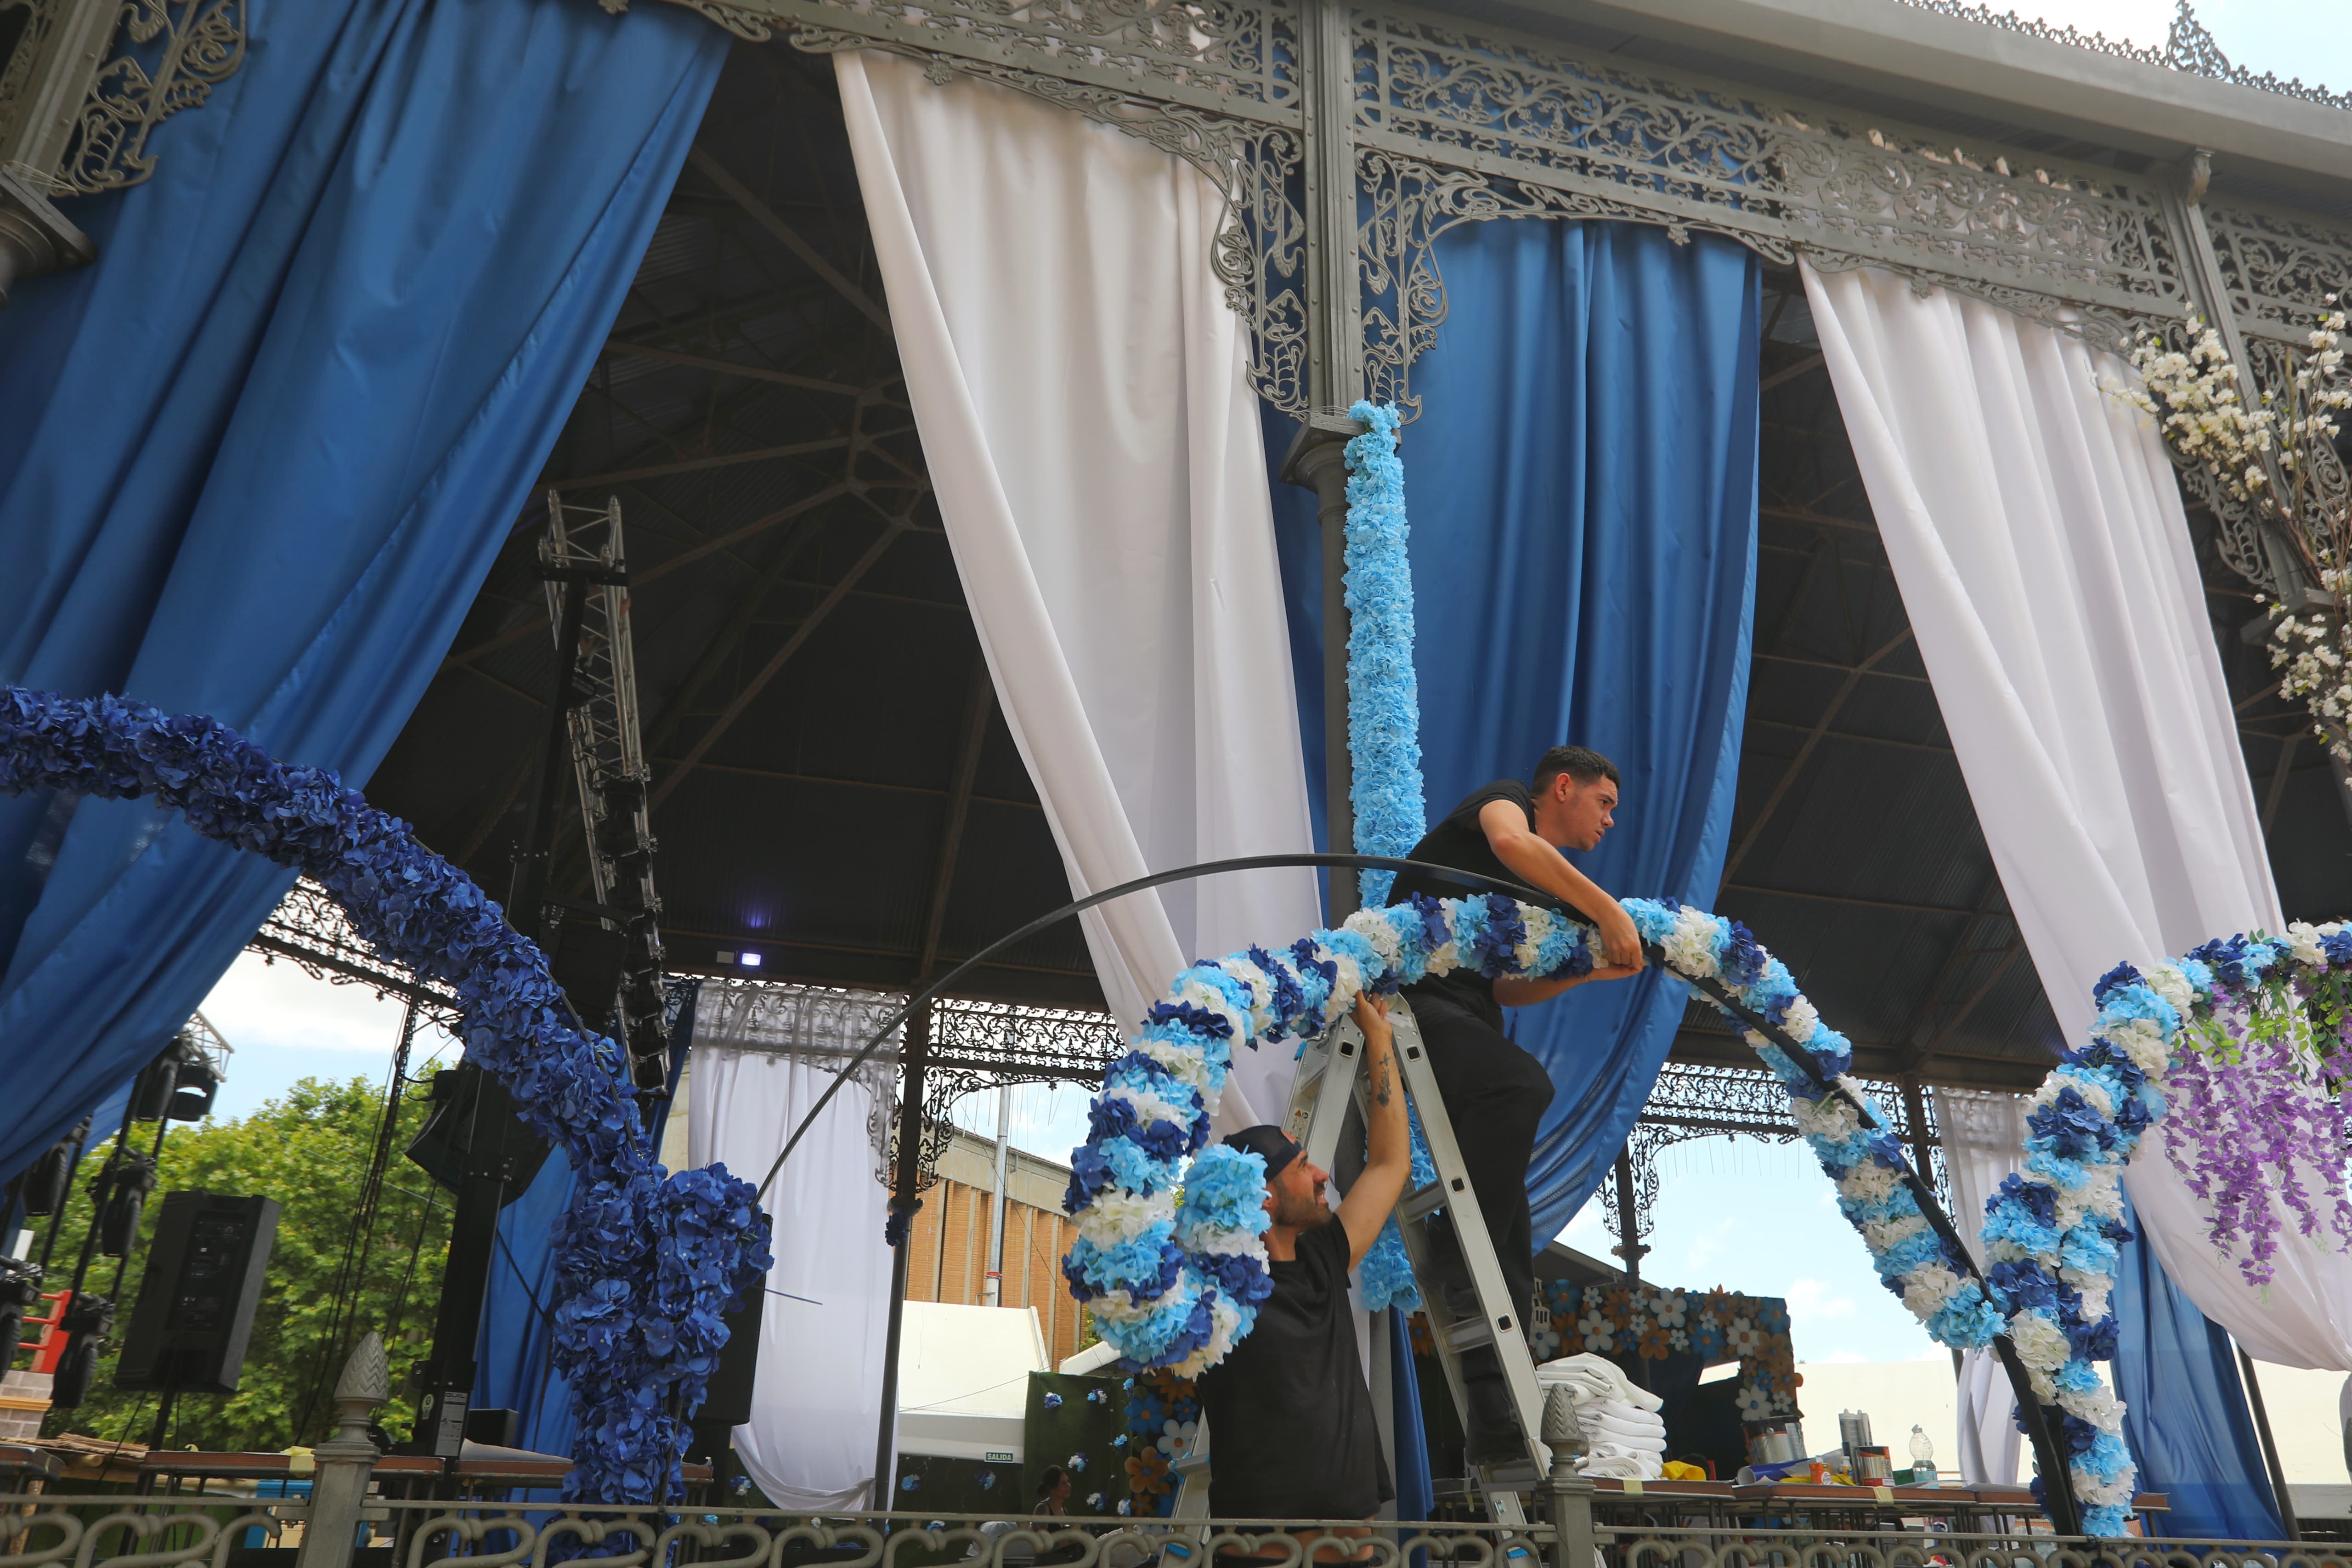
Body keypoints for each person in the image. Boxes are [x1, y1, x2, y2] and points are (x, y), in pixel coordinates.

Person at [1382, 744, 1642, 1460]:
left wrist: (1588, 972)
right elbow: (1507, 839)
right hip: (1414, 997)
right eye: (1604, 803)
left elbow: (1504, 988)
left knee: (1510, 1254)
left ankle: (1499, 1428)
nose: (1610, 820)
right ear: (1563, 787)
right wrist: (1605, 909)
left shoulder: (1540, 890)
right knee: (1520, 1083)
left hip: (1470, 1011)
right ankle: (1446, 1244)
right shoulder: (1504, 806)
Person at [1195, 995, 1411, 1546]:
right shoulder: (1214, 1285)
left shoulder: (1324, 1254)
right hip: (1265, 1541)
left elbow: (1389, 1164)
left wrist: (1378, 1041)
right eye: (1299, 1166)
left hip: (1352, 1528)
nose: (1320, 1173)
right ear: (1262, 1196)